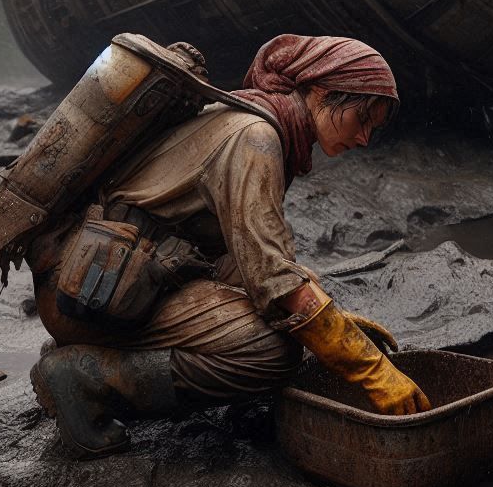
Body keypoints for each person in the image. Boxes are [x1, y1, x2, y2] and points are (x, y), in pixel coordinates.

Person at [27, 34, 430, 459]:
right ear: (321, 92)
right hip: (94, 294)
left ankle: (96, 351)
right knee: (271, 353)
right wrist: (371, 369)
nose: (364, 138)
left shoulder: (247, 117)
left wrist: (337, 326)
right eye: (362, 118)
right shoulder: (254, 138)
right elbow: (272, 280)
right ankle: (87, 377)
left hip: (107, 282)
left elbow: (249, 262)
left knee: (305, 288)